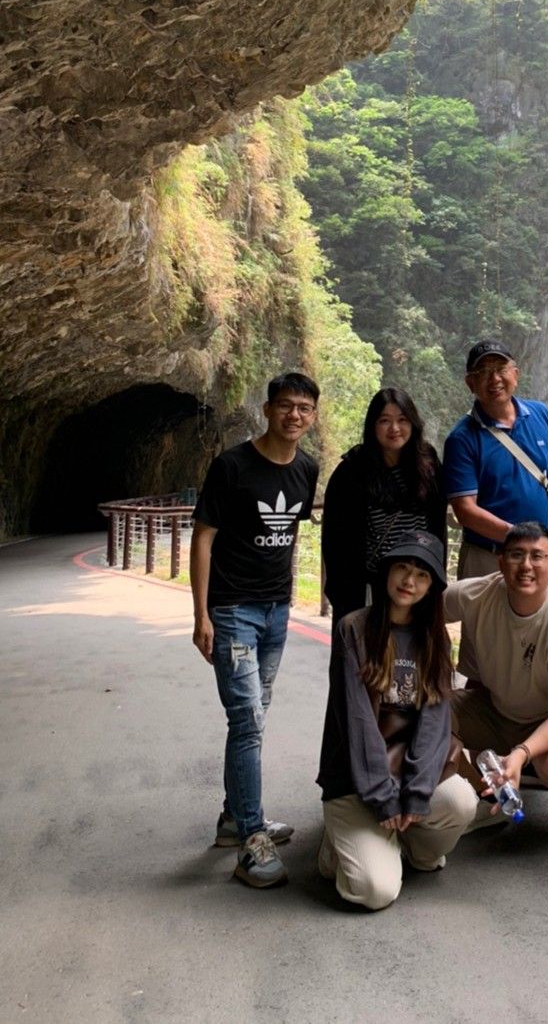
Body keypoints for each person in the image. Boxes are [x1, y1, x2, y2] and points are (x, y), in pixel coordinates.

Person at [190, 370, 321, 888]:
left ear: (313, 417)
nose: (294, 415)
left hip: (275, 612)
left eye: (304, 408)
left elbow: (290, 537)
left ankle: (234, 817)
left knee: (254, 714)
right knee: (247, 720)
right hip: (232, 611)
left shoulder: (306, 469)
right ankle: (251, 837)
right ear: (267, 410)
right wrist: (201, 614)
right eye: (285, 405)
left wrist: (286, 600)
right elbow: (204, 537)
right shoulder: (232, 466)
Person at [315, 532, 477, 910]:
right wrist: (384, 798)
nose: (409, 581)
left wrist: (417, 794)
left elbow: (435, 723)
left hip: (407, 769)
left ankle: (408, 848)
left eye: (422, 574)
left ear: (432, 586)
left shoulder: (435, 639)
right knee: (376, 891)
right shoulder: (353, 628)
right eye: (402, 568)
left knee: (460, 803)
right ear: (386, 572)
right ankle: (341, 846)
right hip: (356, 778)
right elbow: (356, 721)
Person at [444, 522, 548, 836]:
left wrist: (521, 753)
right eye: (516, 555)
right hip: (496, 708)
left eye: (537, 556)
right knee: (426, 717)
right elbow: (422, 615)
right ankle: (485, 797)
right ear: (501, 562)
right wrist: (435, 667)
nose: (526, 565)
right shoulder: (477, 594)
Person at [442, 340, 548, 578]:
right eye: (483, 372)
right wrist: (522, 539)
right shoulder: (462, 439)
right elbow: (465, 511)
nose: (494, 378)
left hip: (540, 556)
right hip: (488, 557)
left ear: (515, 374)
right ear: (470, 383)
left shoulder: (539, 413)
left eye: (500, 369)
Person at [322, 387, 447, 626]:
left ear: (413, 423)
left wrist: (435, 578)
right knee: (365, 647)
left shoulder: (428, 465)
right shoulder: (353, 470)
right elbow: (335, 539)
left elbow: (438, 526)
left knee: (412, 647)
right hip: (369, 586)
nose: (394, 428)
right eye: (384, 421)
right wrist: (344, 595)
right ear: (372, 425)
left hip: (416, 582)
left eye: (402, 420)